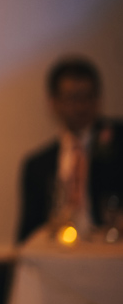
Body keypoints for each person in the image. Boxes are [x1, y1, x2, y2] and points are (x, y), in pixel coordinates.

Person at [17, 56, 123, 243]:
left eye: (88, 97)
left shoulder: (117, 141)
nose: (81, 106)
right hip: (60, 255)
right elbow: (26, 235)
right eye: (73, 98)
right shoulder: (37, 165)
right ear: (54, 103)